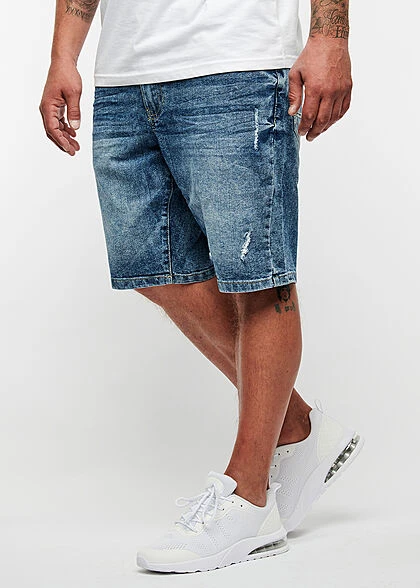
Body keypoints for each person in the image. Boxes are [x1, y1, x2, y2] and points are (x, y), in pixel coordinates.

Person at [40, 0, 364, 574]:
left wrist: (330, 37)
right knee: (154, 267)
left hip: (237, 63)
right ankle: (297, 428)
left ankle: (250, 499)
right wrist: (63, 54)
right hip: (125, 75)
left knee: (259, 279)